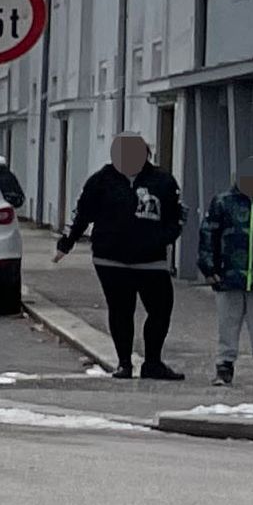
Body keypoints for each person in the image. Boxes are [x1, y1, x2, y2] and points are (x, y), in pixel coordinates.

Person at [56, 131, 188, 379]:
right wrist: (67, 242)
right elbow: (82, 214)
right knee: (121, 310)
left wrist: (159, 240)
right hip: (111, 258)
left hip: (151, 260)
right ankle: (124, 363)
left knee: (160, 309)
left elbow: (176, 218)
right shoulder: (101, 181)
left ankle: (152, 362)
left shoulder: (163, 181)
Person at [203, 159, 253, 384]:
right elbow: (208, 235)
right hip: (228, 275)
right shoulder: (224, 202)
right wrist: (208, 268)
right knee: (227, 324)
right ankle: (224, 366)